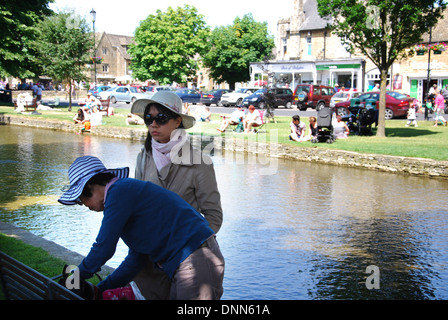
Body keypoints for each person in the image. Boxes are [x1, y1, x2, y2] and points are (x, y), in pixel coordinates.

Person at [58, 156, 224, 300]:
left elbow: (103, 247)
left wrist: (76, 277)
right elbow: (136, 260)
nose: (84, 205)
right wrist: (100, 290)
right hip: (188, 259)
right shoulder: (124, 195)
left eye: (81, 200)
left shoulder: (118, 193)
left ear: (90, 188)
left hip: (196, 257)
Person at [130, 91, 223, 300]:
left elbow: (213, 216)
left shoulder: (200, 162)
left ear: (177, 121)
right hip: (151, 260)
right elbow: (137, 208)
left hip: (189, 259)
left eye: (160, 119)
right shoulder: (143, 157)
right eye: (148, 118)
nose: (153, 124)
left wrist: (188, 248)